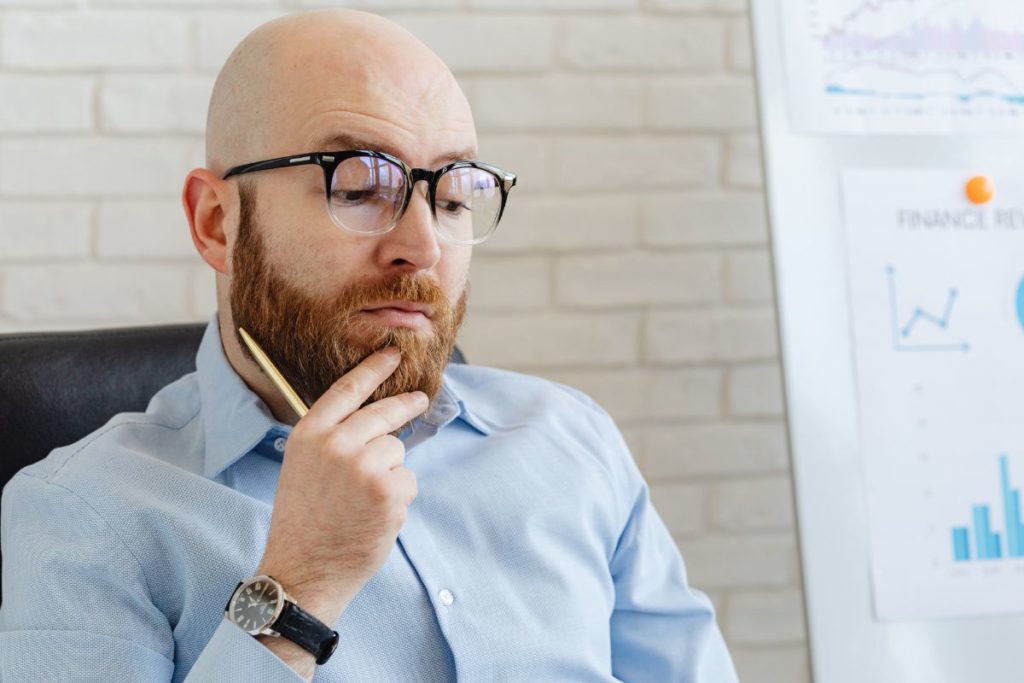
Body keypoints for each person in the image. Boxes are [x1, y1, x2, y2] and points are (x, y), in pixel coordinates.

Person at [0, 9, 737, 682]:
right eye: (356, 187)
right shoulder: (83, 516)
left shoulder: (571, 441)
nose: (422, 245)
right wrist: (301, 583)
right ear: (218, 223)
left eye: (452, 197)